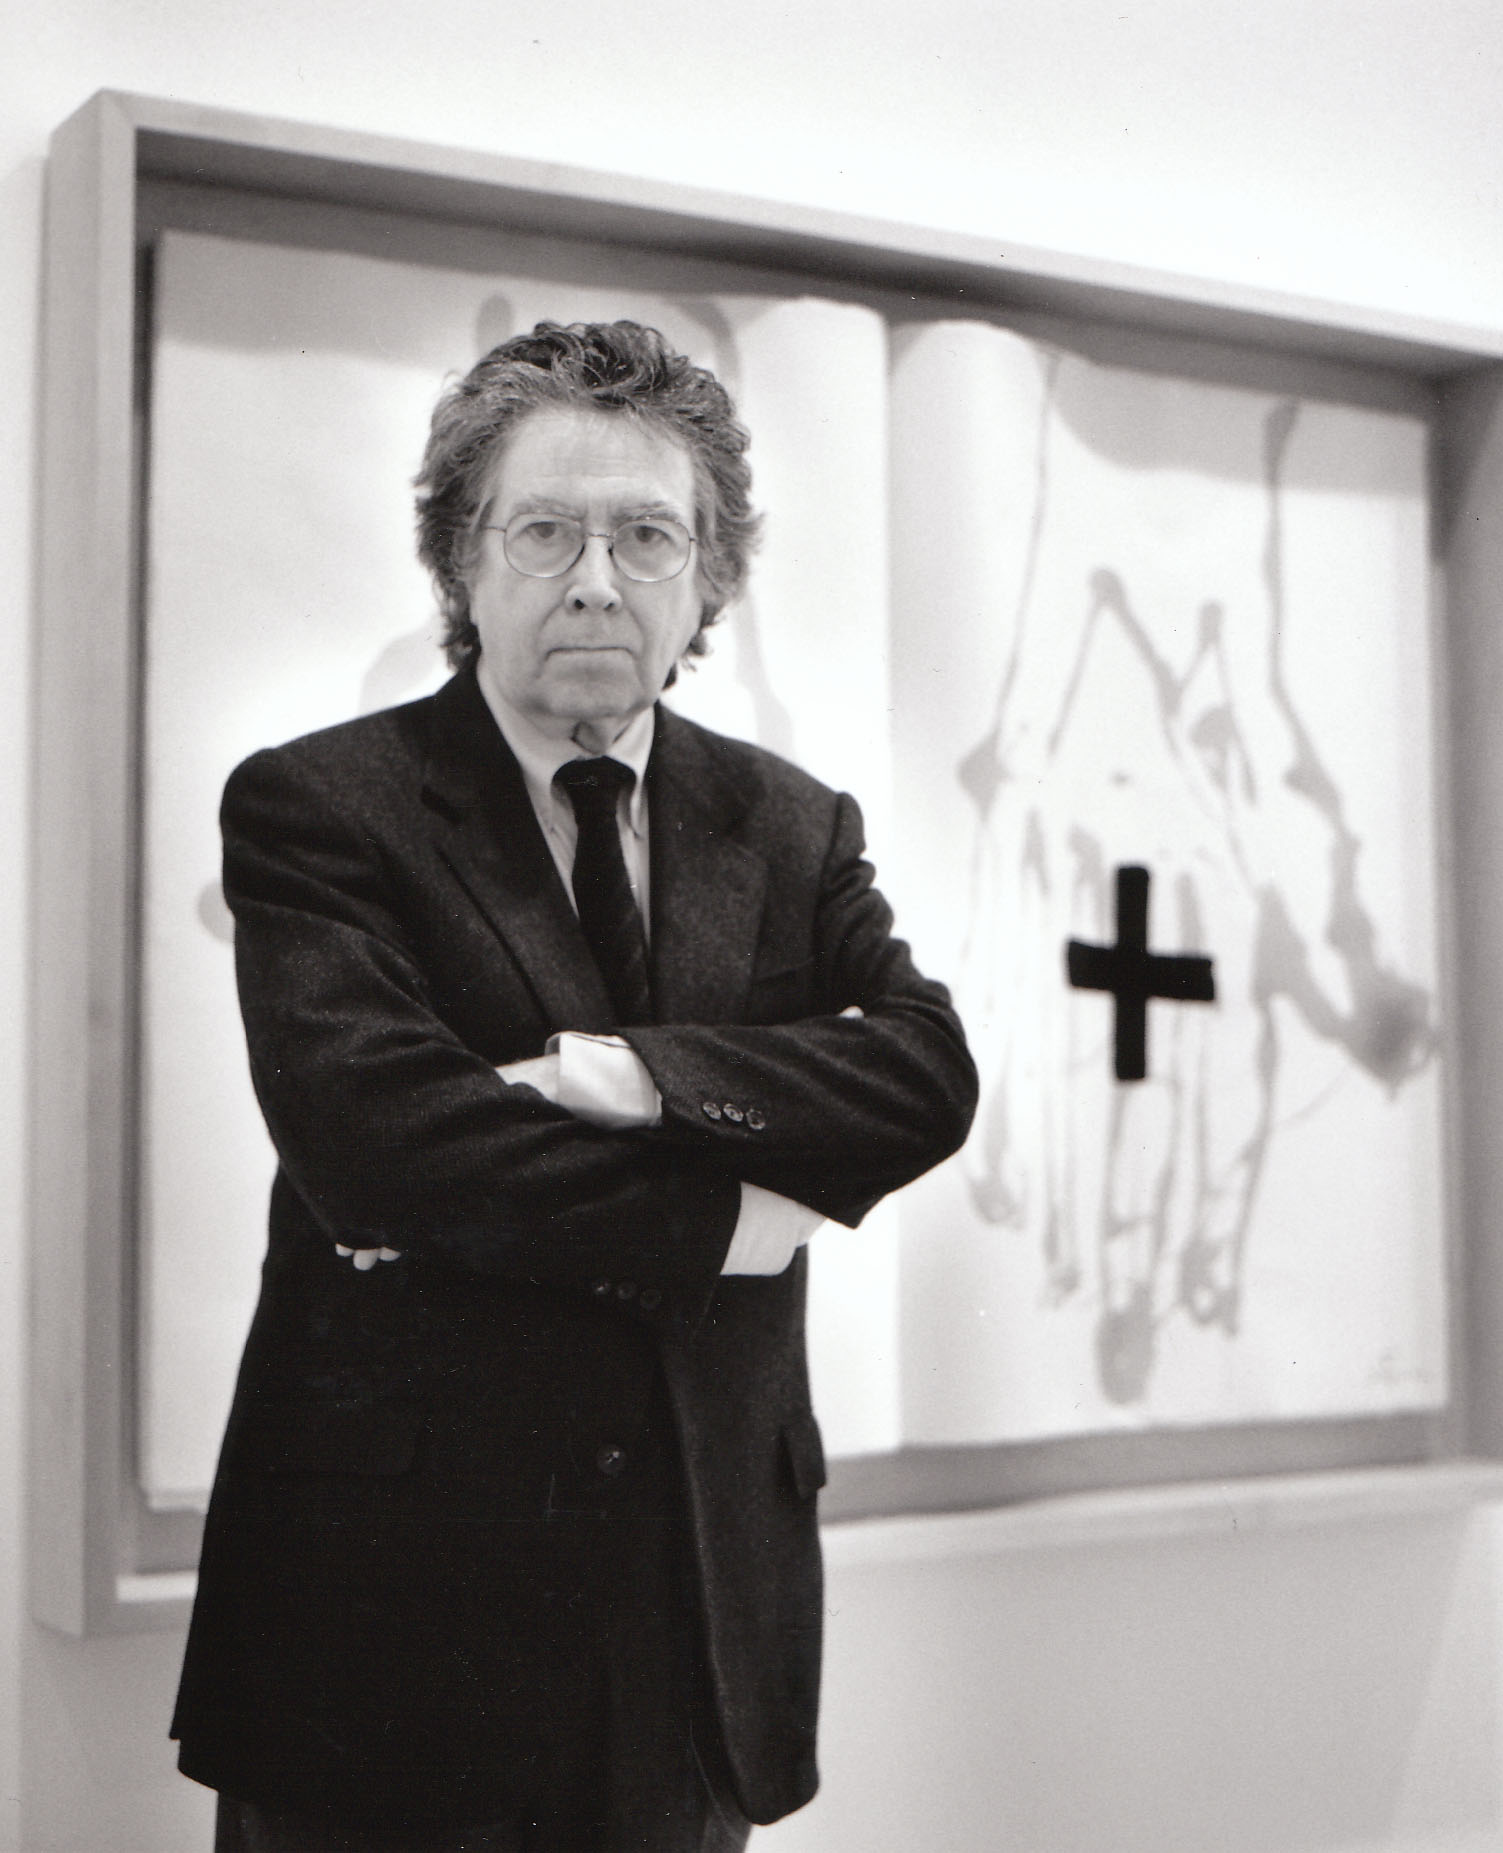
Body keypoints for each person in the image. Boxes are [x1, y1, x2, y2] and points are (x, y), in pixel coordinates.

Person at [170, 319, 977, 1852]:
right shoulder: (320, 806)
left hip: (692, 1628)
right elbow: (381, 1145)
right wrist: (733, 1219)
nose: (597, 579)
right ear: (461, 562)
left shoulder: (790, 825)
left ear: (708, 577)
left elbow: (922, 1073)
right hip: (387, 1637)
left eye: (647, 535)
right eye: (544, 530)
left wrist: (624, 1075)